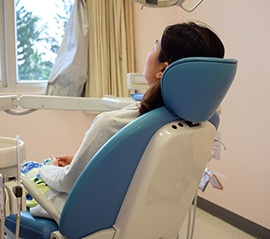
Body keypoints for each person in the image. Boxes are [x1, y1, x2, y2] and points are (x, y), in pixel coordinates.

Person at [28, 21, 225, 218]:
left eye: (154, 45)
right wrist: (88, 161)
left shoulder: (111, 124)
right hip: (149, 219)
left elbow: (68, 183)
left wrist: (47, 168)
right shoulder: (202, 125)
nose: (150, 51)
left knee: (25, 175)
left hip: (90, 220)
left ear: (163, 70)